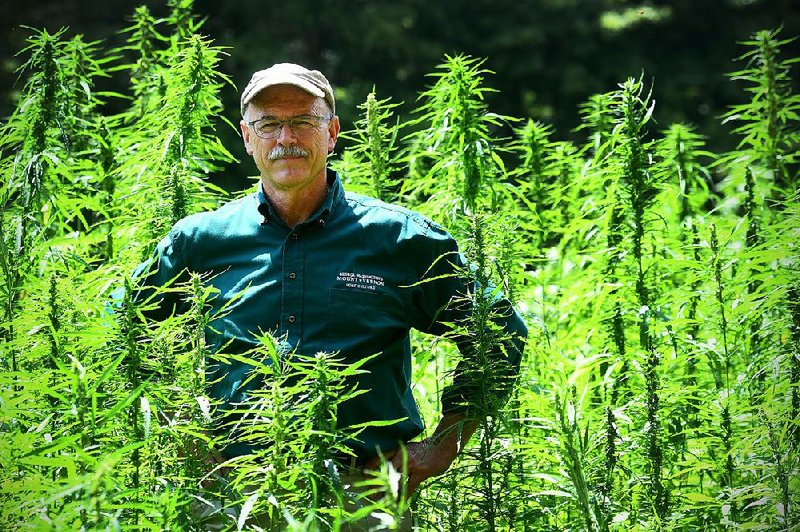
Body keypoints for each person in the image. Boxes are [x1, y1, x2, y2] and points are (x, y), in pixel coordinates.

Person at [134, 62, 527, 528]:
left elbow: (499, 334)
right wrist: (183, 431)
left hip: (362, 496)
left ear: (332, 132)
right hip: (229, 493)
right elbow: (125, 327)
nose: (286, 138)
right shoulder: (202, 240)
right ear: (246, 137)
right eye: (268, 124)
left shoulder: (400, 239)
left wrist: (443, 446)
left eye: (304, 121)